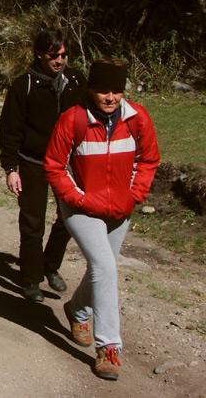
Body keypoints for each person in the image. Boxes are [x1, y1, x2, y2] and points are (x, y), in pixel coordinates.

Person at [45, 59, 160, 381]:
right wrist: (78, 198)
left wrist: (134, 195)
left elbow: (149, 159)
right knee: (106, 268)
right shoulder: (74, 119)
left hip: (120, 208)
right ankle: (108, 347)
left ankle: (78, 310)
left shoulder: (137, 118)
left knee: (101, 267)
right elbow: (54, 165)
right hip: (81, 207)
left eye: (117, 91)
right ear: (91, 90)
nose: (110, 97)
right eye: (103, 91)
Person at [0, 29, 86, 301]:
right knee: (33, 222)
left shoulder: (75, 81)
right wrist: (11, 168)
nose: (59, 60)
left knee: (71, 219)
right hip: (33, 162)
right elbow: (10, 129)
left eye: (63, 54)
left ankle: (50, 264)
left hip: (67, 163)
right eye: (53, 55)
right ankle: (31, 278)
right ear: (39, 54)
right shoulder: (23, 85)